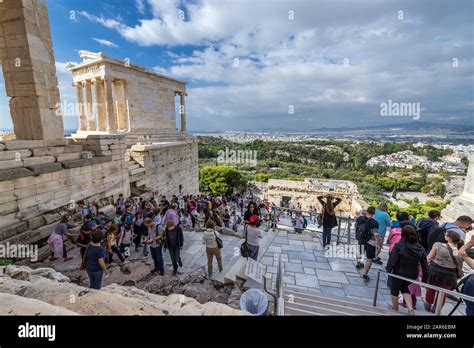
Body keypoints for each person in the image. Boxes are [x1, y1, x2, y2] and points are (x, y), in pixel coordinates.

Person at [385, 225, 429, 315]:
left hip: (398, 272)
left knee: (394, 291)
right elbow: (425, 265)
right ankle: (410, 310)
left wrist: (388, 269)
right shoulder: (420, 248)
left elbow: (392, 259)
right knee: (406, 289)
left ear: (403, 234)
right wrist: (425, 279)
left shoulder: (399, 245)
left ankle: (395, 310)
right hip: (412, 274)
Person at [425, 230, 465, 313]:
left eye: (445, 235)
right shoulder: (459, 251)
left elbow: (429, 258)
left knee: (431, 288)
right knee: (443, 293)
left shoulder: (438, 245)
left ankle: (428, 305)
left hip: (435, 271)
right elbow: (459, 266)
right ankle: (436, 308)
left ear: (449, 238)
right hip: (449, 275)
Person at [354, 206, 380, 282]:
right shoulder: (374, 223)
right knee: (369, 258)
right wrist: (378, 244)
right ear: (374, 213)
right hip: (370, 242)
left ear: (367, 211)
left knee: (359, 252)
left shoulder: (360, 219)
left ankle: (358, 263)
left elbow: (356, 226)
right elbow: (376, 234)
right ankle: (365, 274)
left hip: (361, 239)